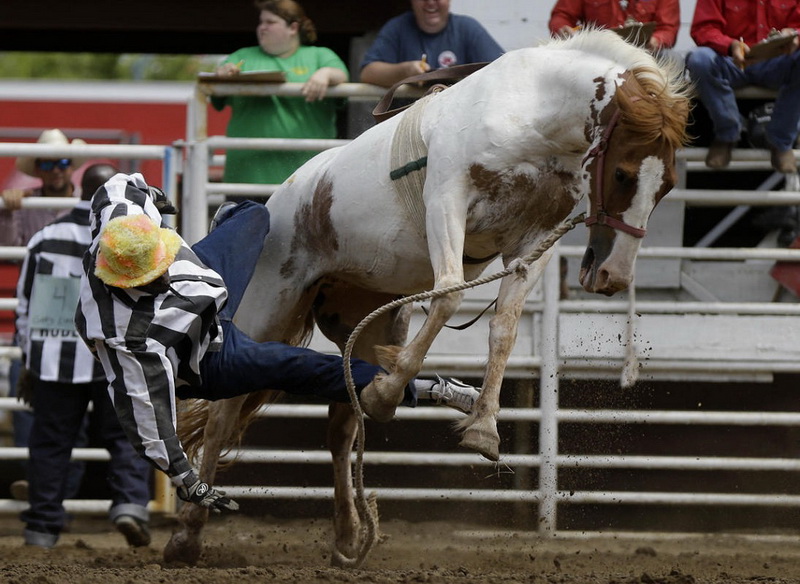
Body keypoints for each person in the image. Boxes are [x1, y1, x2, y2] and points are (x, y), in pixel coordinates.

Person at [75, 173, 480, 512]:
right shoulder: (130, 344)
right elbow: (149, 422)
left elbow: (117, 185)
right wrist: (189, 482)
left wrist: (150, 192)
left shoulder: (121, 225)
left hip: (202, 283)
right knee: (298, 367)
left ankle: (230, 220)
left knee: (253, 215)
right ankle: (429, 389)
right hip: (209, 359)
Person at [15, 164, 152, 549]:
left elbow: (25, 306)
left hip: (54, 358)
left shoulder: (45, 238)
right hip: (114, 357)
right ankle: (129, 503)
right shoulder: (130, 238)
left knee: (51, 442)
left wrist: (29, 359)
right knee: (127, 436)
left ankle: (41, 526)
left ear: (81, 190)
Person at [2, 129, 85, 499]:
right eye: (48, 163)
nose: (55, 170)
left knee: (74, 412)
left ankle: (58, 493)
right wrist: (7, 211)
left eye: (62, 163)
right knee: (27, 404)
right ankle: (41, 485)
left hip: (78, 318)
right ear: (38, 169)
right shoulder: (27, 203)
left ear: (71, 168)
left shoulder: (87, 205)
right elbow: (7, 250)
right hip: (43, 317)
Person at [210, 0, 349, 188]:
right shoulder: (242, 56)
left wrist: (326, 74)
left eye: (270, 22)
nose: (262, 28)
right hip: (246, 177)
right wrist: (223, 74)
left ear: (293, 28)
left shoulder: (320, 56)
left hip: (307, 177)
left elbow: (341, 74)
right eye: (261, 22)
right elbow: (216, 85)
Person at [685, 0, 800, 172]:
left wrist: (794, 35)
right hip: (731, 61)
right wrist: (731, 46)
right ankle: (728, 132)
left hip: (777, 63)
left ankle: (781, 141)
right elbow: (703, 28)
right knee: (699, 60)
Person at [359, 0, 505, 88]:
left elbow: (502, 70)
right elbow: (368, 73)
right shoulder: (397, 28)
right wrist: (405, 71)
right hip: (405, 124)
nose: (430, 2)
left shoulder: (468, 28)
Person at [548, 0, 680, 53]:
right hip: (596, 51)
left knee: (673, 60)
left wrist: (656, 40)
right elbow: (561, 16)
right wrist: (563, 29)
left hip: (644, 51)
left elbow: (668, 29)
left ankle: (667, 111)